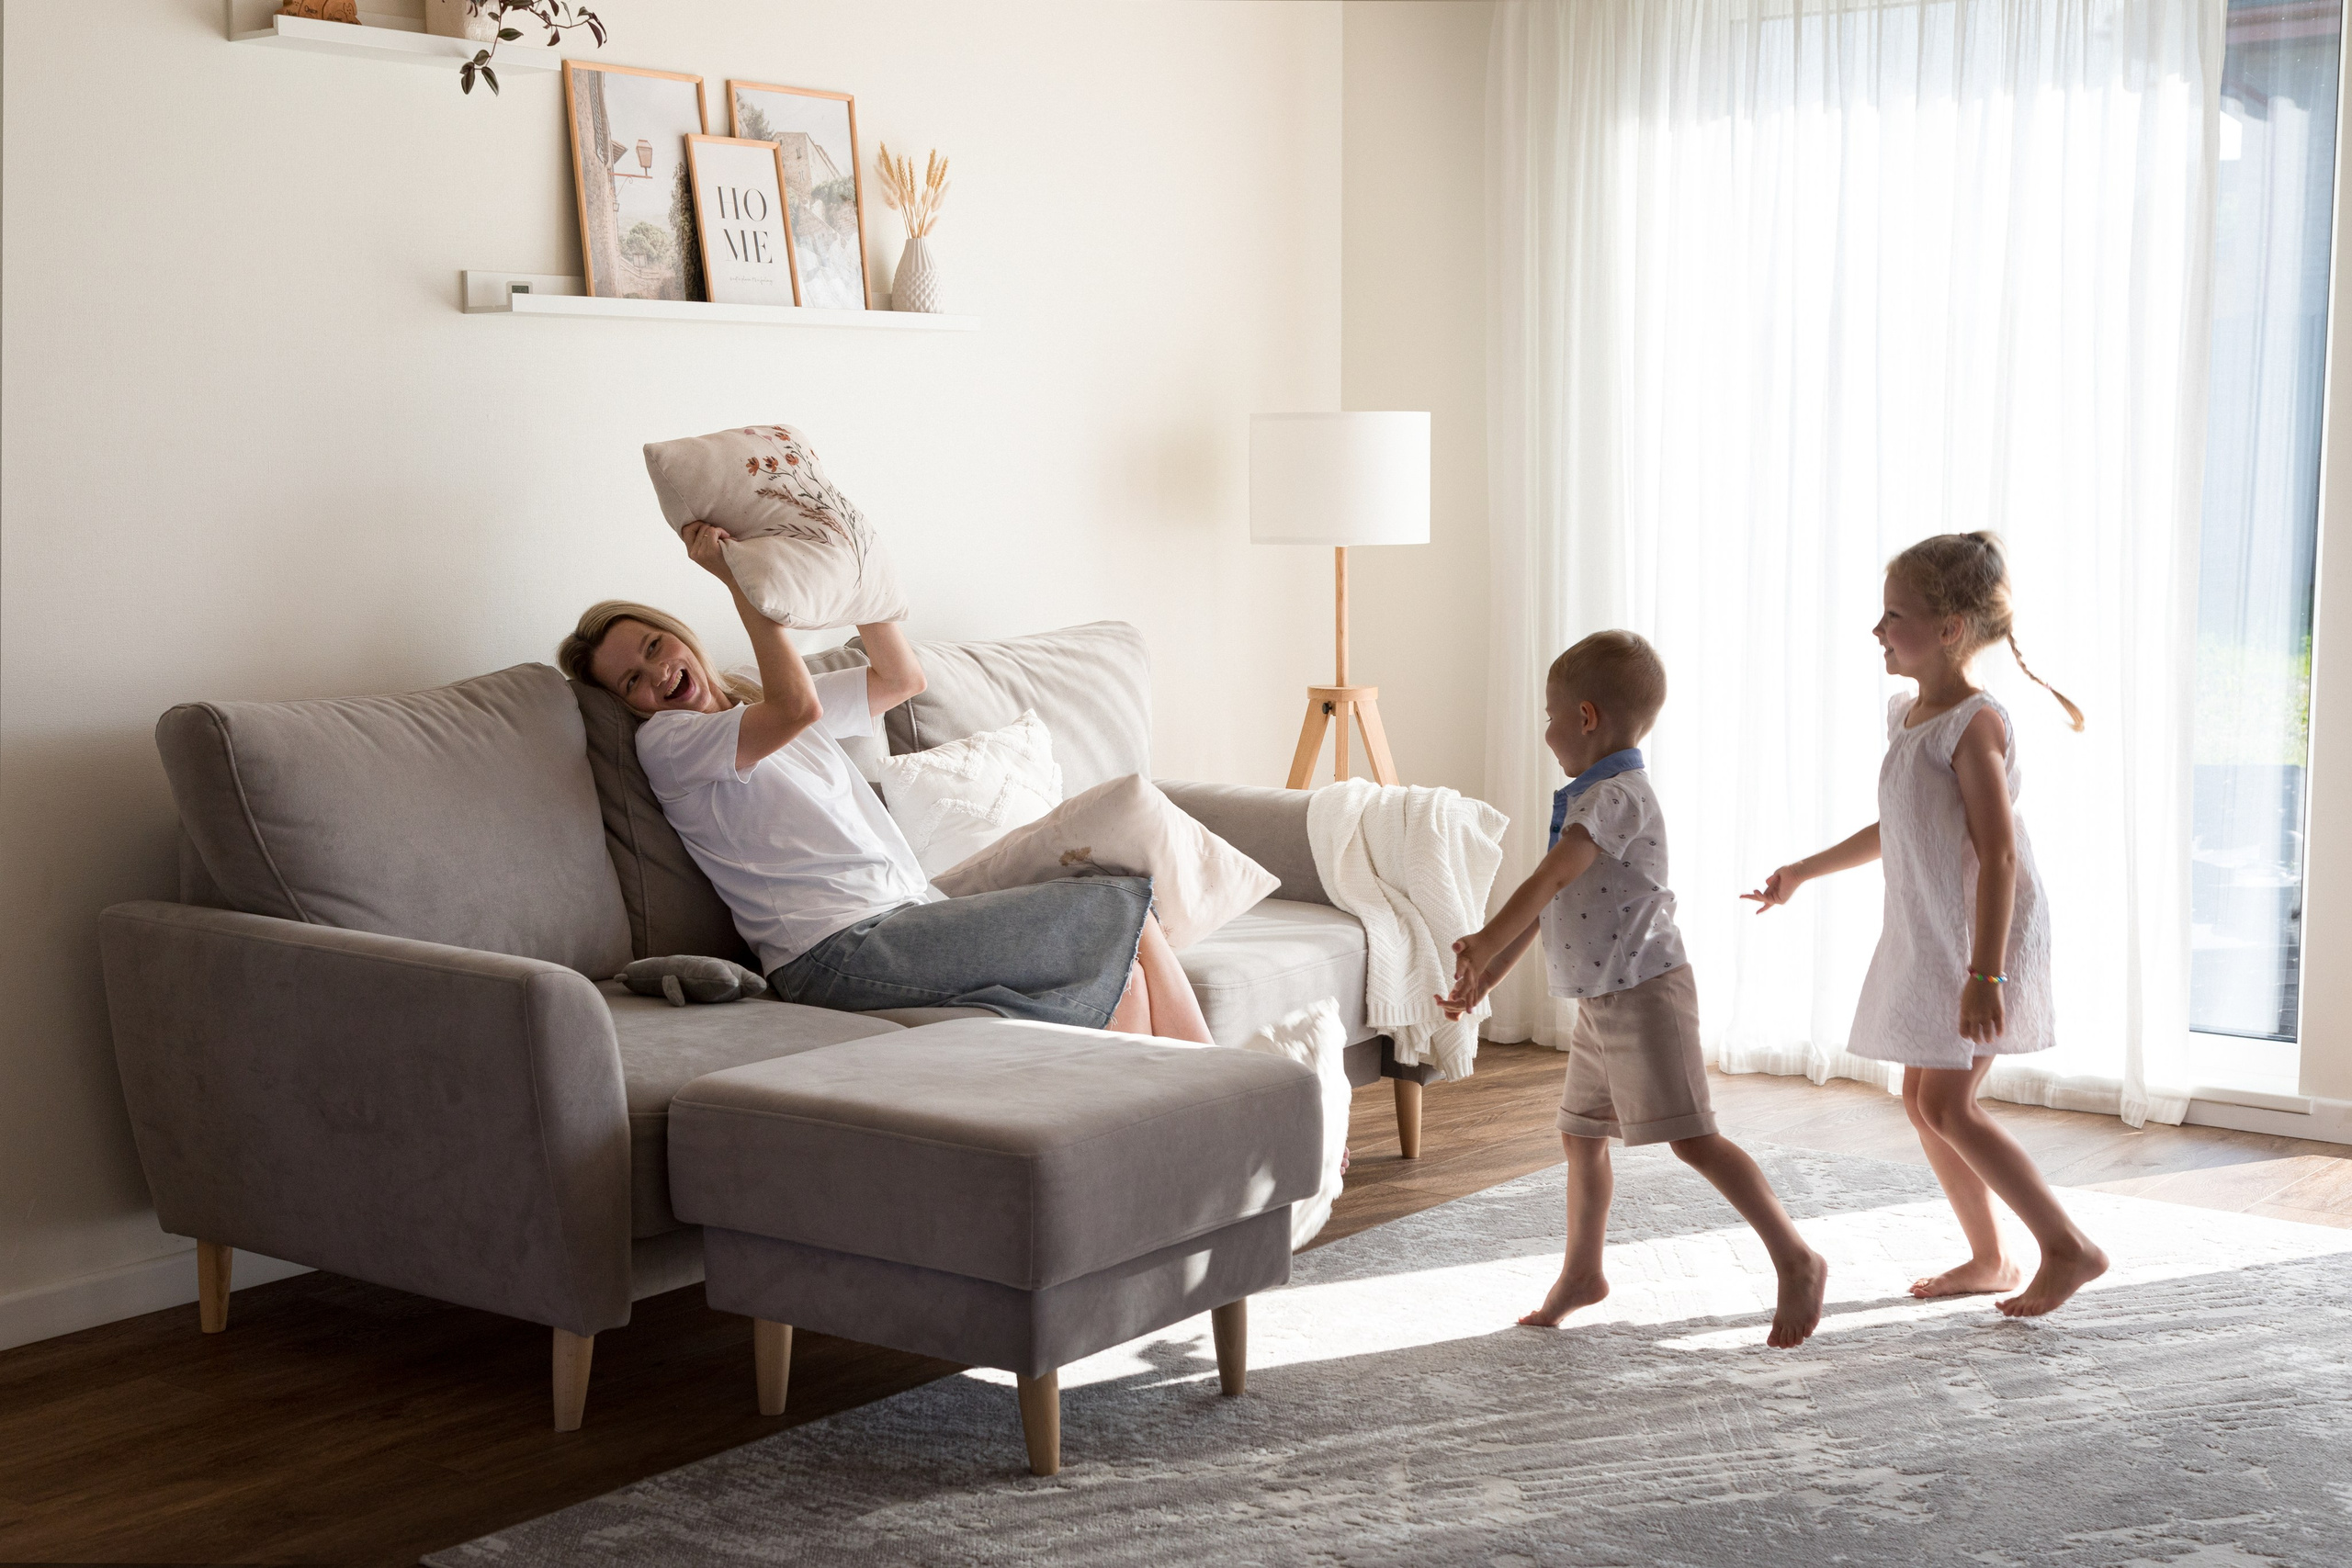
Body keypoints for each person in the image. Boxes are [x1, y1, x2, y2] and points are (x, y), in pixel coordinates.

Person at [557, 521, 1213, 1043]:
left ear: (677, 636)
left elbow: (901, 679)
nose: (656, 675)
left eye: (653, 648)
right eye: (632, 682)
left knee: (1123, 974)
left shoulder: (757, 706)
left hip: (904, 918)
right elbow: (797, 708)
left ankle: (1165, 1139)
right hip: (833, 953)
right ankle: (1229, 1101)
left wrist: (857, 572)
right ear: (631, 705)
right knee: (1117, 902)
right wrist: (739, 581)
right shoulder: (670, 744)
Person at [1746, 531, 2107, 1317]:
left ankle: (2067, 1246)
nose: (1877, 629)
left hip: (1987, 937)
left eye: (1894, 616)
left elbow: (1999, 854)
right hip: (1937, 932)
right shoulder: (1910, 716)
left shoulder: (1975, 723)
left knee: (1947, 1104)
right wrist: (1803, 870)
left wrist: (1987, 974)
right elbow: (1902, 826)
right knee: (1922, 1100)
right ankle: (1991, 1256)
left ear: (1948, 629)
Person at [1440, 631, 1826, 1348]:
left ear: (1586, 717)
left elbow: (1551, 877)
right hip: (1601, 998)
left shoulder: (1615, 797)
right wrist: (1489, 973)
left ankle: (1795, 1255)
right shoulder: (1592, 796)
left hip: (1647, 994)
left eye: (1550, 715)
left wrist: (1486, 936)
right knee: (1580, 1134)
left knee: (1695, 1140)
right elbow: (1557, 901)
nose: (1545, 731)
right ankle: (1583, 1272)